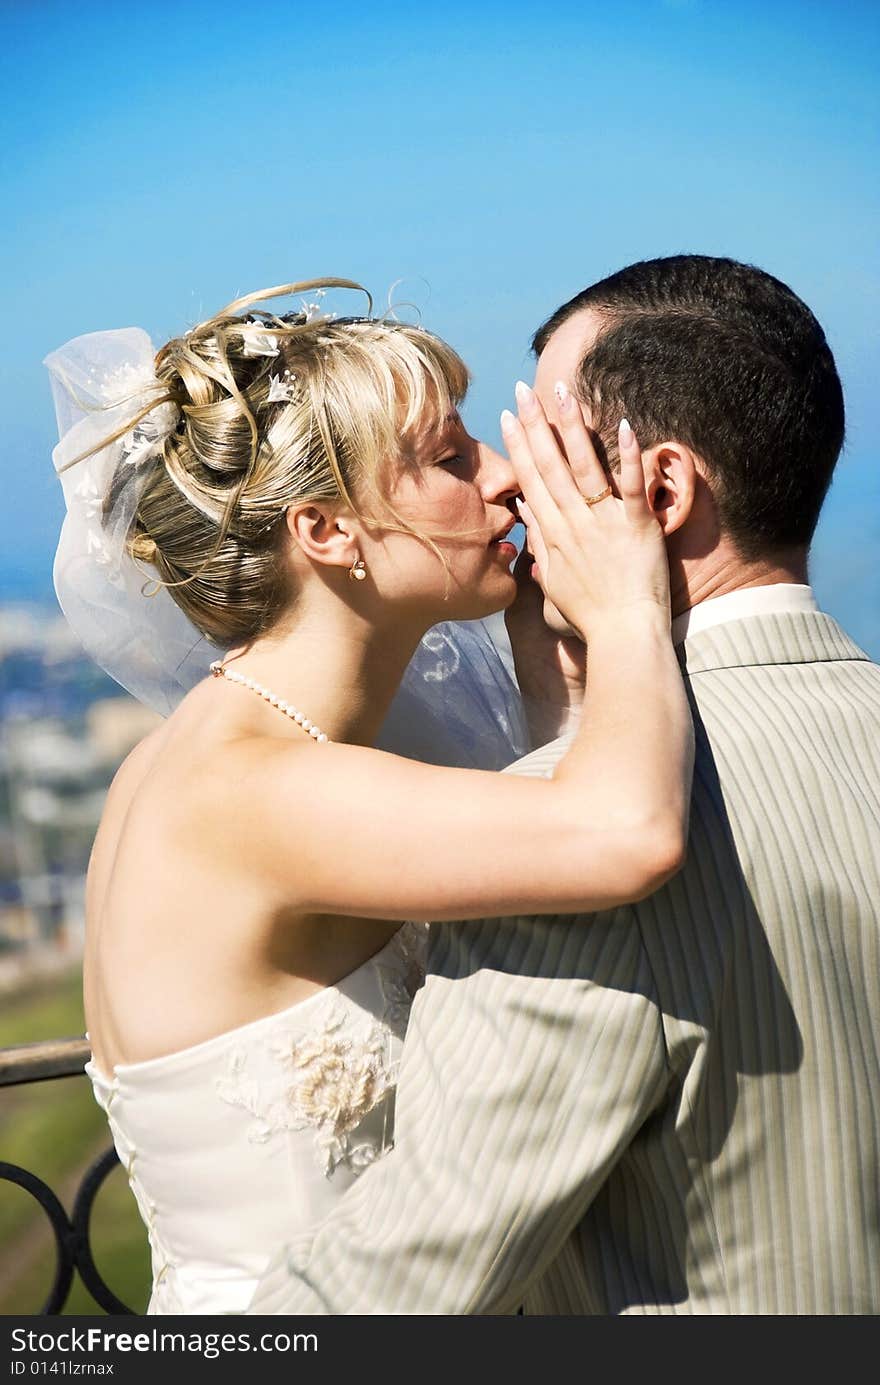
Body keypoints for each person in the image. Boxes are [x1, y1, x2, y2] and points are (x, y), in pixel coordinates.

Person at [45, 279, 692, 1315]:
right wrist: (626, 608)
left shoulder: (230, 748)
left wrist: (546, 669)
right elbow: (631, 835)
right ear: (327, 530)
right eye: (446, 457)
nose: (506, 473)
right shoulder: (257, 789)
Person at [250, 256, 880, 1317]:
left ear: (661, 492)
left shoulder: (569, 837)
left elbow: (410, 1275)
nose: (510, 484)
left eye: (544, 450)